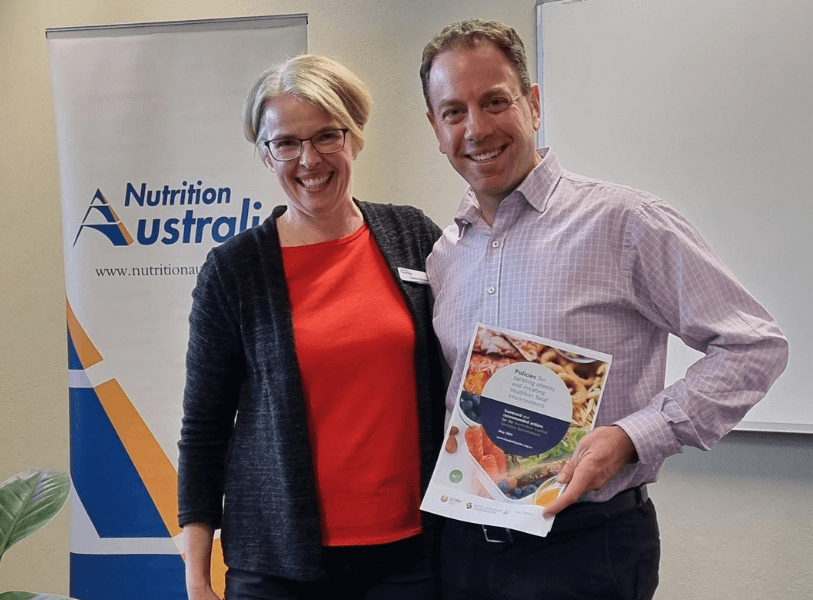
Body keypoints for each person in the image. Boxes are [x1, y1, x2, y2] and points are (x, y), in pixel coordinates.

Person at [420, 19, 789, 600]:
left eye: (495, 101)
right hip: (463, 551)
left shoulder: (624, 222)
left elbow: (754, 346)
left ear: (533, 104)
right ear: (436, 129)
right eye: (454, 112)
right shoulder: (445, 255)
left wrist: (633, 436)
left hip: (586, 550)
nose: (477, 128)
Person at [177, 54, 446, 600]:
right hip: (278, 564)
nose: (309, 159)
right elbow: (203, 431)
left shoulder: (413, 234)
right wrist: (197, 580)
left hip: (411, 555)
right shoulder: (234, 270)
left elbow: (473, 357)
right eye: (287, 143)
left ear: (355, 136)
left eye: (327, 135)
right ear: (265, 151)